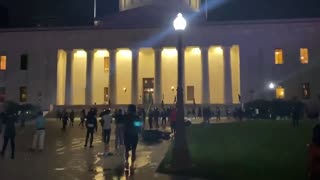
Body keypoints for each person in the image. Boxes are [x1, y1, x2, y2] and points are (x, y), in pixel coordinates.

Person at [123, 104, 142, 170]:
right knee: (133, 150)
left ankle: (126, 162)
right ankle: (132, 164)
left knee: (126, 149)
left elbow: (123, 125)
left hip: (127, 134)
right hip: (134, 135)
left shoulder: (125, 116)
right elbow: (138, 126)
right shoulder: (137, 117)